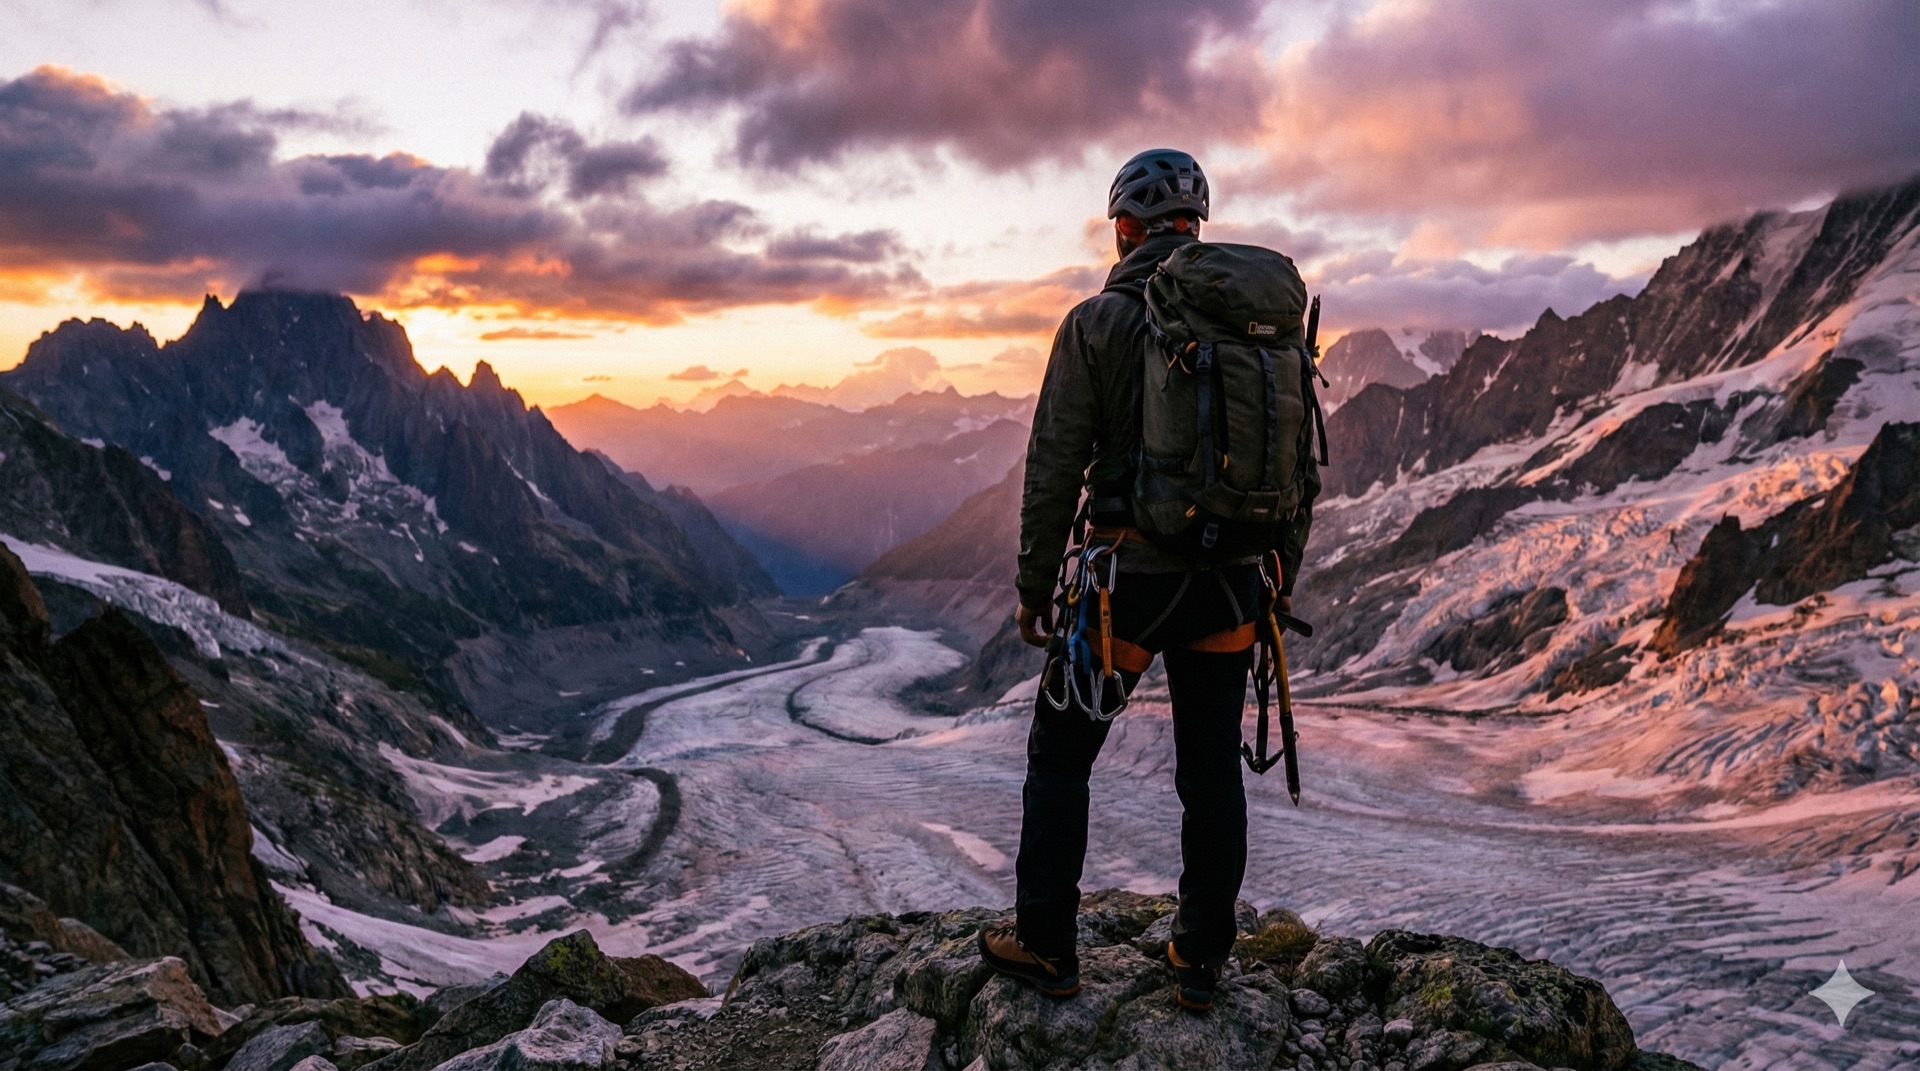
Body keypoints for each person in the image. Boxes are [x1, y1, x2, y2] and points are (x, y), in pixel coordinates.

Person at [976, 149, 1313, 1013]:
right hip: (1232, 584)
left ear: (1123, 227)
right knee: (1211, 772)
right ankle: (1198, 958)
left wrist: (1033, 584)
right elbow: (1297, 465)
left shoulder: (1095, 323)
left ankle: (1047, 943)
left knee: (1061, 752)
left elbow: (1053, 463)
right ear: (1192, 226)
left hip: (1128, 580)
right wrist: (1280, 571)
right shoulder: (1251, 325)